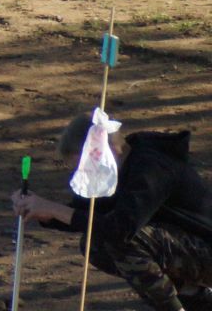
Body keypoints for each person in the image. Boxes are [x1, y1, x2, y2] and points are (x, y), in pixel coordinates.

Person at [14, 115, 212, 311]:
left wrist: (54, 209)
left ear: (109, 149)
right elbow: (90, 211)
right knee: (94, 244)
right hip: (188, 250)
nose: (87, 174)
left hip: (205, 249)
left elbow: (120, 229)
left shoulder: (152, 167)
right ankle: (195, 297)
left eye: (88, 167)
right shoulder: (117, 167)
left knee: (125, 241)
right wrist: (44, 213)